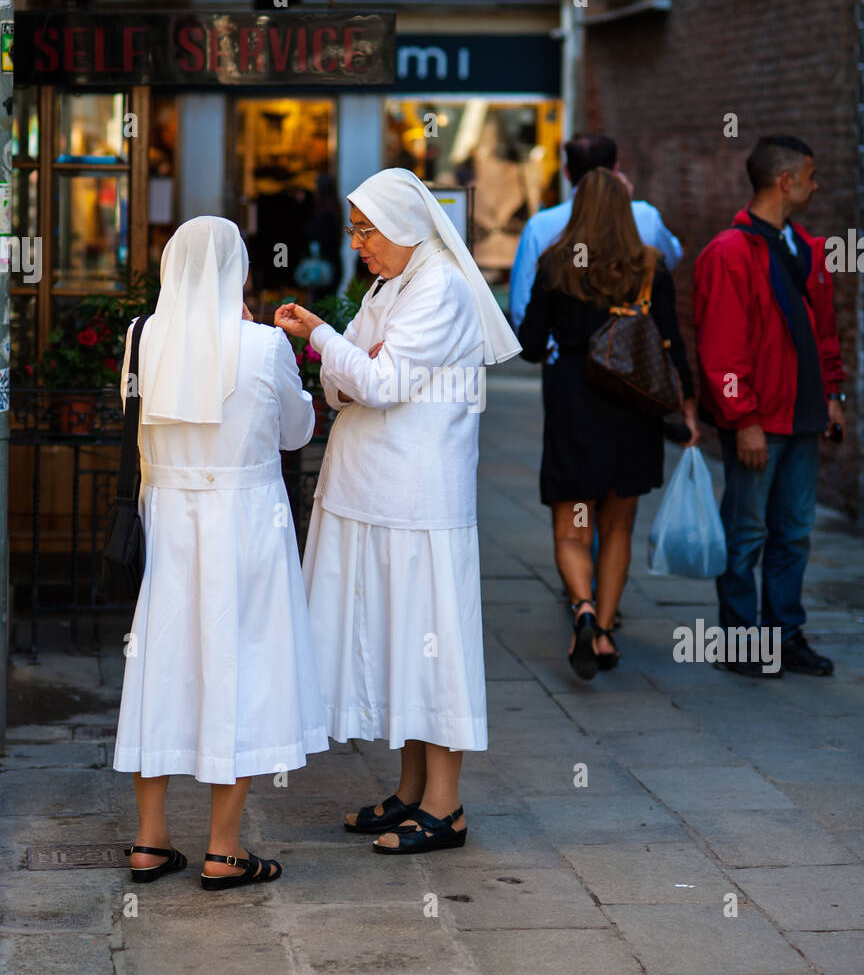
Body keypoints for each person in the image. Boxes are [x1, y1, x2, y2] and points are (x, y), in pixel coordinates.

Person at [274, 168, 520, 855]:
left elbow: (378, 380)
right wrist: (349, 360)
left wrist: (329, 340)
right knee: (401, 641)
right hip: (375, 489)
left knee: (430, 642)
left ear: (406, 225)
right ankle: (412, 791)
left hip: (419, 498)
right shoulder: (392, 284)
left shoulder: (439, 286)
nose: (358, 246)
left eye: (365, 230)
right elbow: (343, 383)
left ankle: (447, 805)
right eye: (353, 229)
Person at [113, 216, 329, 890]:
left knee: (163, 663)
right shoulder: (264, 345)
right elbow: (297, 430)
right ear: (237, 273)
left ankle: (150, 840)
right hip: (246, 520)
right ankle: (225, 848)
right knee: (240, 665)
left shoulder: (143, 336)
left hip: (171, 517)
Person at [518, 169, 699, 678]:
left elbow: (530, 346)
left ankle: (582, 608)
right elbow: (671, 342)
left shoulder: (557, 264)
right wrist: (688, 405)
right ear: (625, 210)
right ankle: (603, 635)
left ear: (578, 209)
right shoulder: (650, 266)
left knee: (575, 525)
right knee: (617, 525)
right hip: (633, 410)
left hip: (575, 410)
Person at [693, 136, 846, 678]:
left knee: (794, 533)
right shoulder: (728, 254)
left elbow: (824, 334)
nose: (816, 184)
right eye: (810, 175)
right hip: (760, 422)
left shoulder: (807, 246)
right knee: (747, 534)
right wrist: (744, 421)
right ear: (786, 181)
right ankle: (739, 643)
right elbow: (720, 350)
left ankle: (784, 635)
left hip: (803, 419)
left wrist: (833, 397)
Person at [509, 132, 683, 333]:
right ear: (616, 169)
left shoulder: (540, 225)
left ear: (566, 172)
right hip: (629, 351)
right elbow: (670, 259)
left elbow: (521, 299)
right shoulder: (645, 216)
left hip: (566, 351)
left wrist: (551, 348)